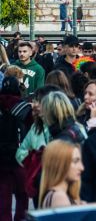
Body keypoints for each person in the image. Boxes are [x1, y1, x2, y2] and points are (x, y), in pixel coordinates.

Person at [0, 78, 30, 221]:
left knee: (3, 193)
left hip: (2, 156)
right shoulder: (24, 107)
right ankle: (20, 218)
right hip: (21, 155)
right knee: (22, 193)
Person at [39, 139, 83, 208]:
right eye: (75, 161)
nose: (82, 168)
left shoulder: (55, 195)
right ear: (59, 164)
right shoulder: (59, 197)